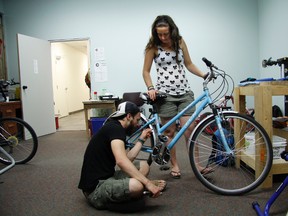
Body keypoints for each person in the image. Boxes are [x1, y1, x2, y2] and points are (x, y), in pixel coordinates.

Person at [142, 15, 209, 179]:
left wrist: (203, 74)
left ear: (172, 30)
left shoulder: (179, 41)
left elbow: (189, 64)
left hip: (185, 93)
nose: (163, 37)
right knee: (170, 133)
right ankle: (175, 165)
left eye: (166, 34)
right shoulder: (153, 47)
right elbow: (146, 71)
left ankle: (197, 165)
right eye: (160, 34)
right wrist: (151, 88)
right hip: (165, 96)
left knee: (190, 130)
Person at [78, 101, 166, 210]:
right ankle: (135, 193)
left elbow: (127, 158)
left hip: (108, 176)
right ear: (129, 116)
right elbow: (121, 161)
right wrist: (147, 183)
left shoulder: (115, 127)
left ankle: (135, 192)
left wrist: (141, 140)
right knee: (137, 186)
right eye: (137, 120)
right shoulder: (115, 129)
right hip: (95, 189)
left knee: (144, 165)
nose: (138, 124)